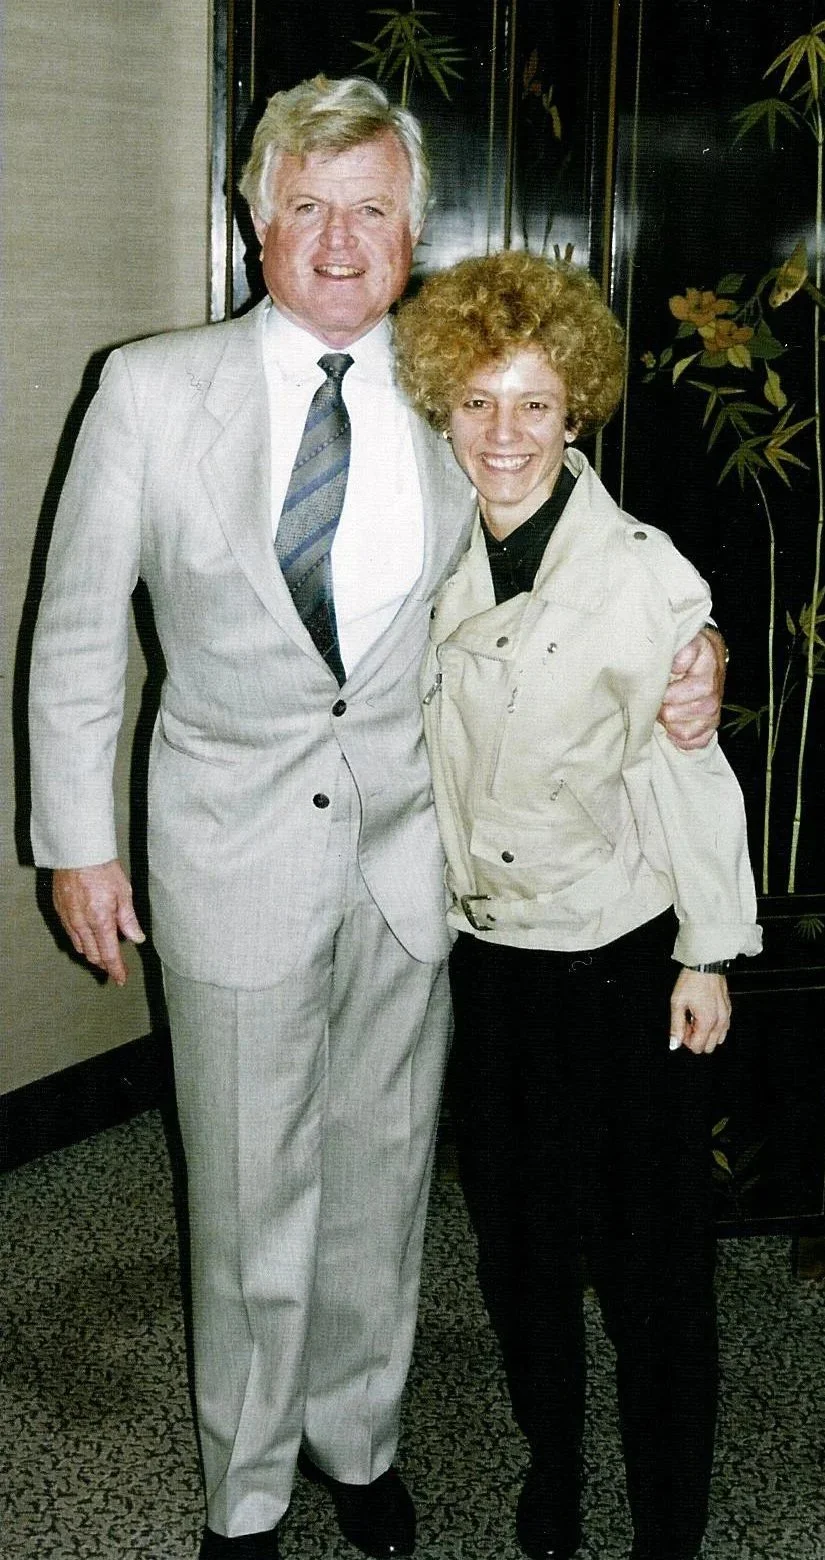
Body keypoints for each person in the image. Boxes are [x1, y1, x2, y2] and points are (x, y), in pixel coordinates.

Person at [27, 79, 725, 1560]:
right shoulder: (149, 390)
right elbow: (78, 632)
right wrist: (77, 842)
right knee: (245, 1195)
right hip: (227, 856)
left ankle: (358, 1440)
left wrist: (695, 638)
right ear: (257, 221)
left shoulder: (439, 382)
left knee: (381, 1176)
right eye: (308, 207)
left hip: (414, 863)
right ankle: (247, 1490)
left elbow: (560, 504)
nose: (340, 241)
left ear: (412, 231)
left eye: (372, 210)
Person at [394, 249, 761, 1560]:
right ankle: (553, 1467)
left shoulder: (641, 573)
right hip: (488, 966)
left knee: (656, 1273)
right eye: (478, 402)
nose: (505, 435)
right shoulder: (415, 553)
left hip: (621, 963)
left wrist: (709, 952)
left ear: (577, 410)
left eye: (535, 404)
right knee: (522, 1258)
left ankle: (669, 1524)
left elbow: (690, 771)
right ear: (442, 407)